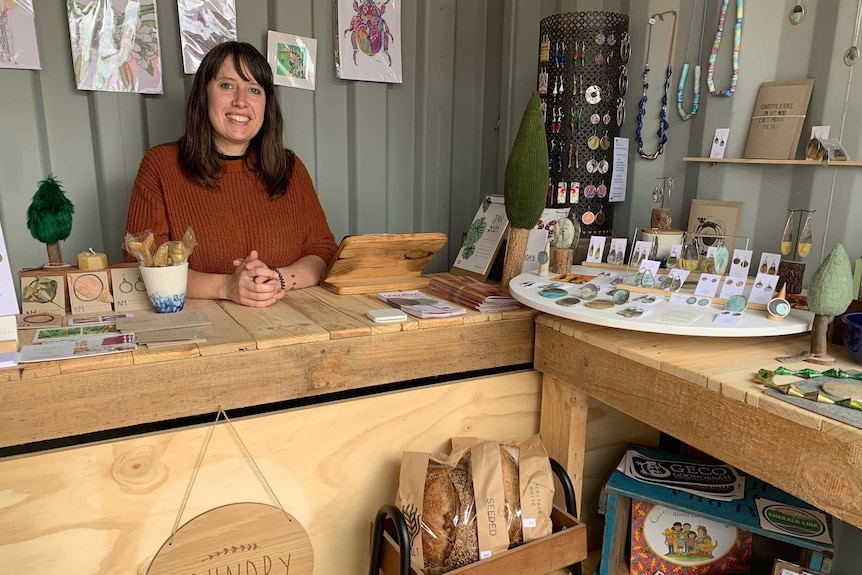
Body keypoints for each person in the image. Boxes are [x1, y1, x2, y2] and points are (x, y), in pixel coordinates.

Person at [125, 41, 337, 307]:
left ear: (266, 105)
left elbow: (323, 251)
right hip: (203, 336)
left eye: (254, 90)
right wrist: (227, 286)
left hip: (292, 327)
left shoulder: (290, 168)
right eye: (227, 85)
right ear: (204, 95)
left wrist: (276, 279)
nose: (241, 101)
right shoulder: (160, 166)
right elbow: (141, 267)